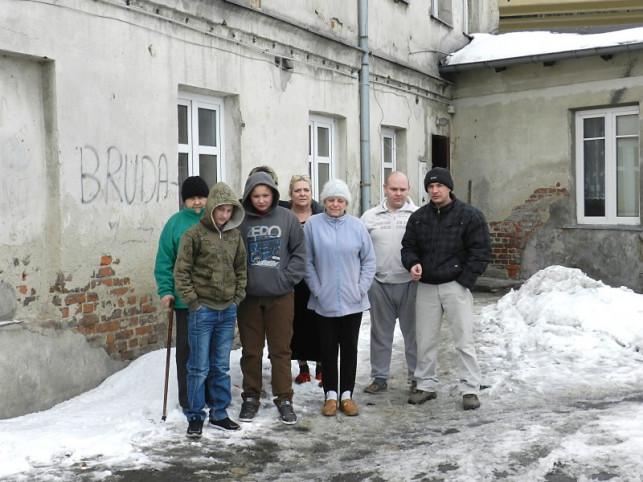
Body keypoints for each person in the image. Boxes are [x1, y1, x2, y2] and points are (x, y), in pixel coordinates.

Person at [401, 167, 491, 410]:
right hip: (426, 287)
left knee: (464, 339)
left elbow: (481, 250)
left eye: (439, 185)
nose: (435, 190)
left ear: (449, 187)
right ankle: (425, 385)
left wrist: (465, 280)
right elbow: (408, 247)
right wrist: (413, 263)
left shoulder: (469, 215)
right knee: (425, 340)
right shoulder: (419, 217)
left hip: (455, 285)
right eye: (430, 186)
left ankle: (470, 388)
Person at [174, 182, 247, 438]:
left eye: (229, 210)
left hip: (227, 310)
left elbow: (241, 268)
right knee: (198, 367)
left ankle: (219, 413)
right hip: (202, 311)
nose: (224, 215)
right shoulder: (194, 235)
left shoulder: (234, 236)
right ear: (211, 209)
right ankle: (195, 416)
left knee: (220, 366)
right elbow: (181, 271)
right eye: (220, 210)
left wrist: (237, 298)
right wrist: (193, 302)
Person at [237, 171, 306, 425]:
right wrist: (241, 283)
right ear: (248, 196)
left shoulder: (287, 218)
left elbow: (299, 254)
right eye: (256, 196)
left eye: (266, 195)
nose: (261, 200)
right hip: (249, 298)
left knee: (280, 351)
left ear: (273, 194)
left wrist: (286, 280)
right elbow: (233, 255)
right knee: (251, 351)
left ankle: (284, 398)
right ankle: (251, 396)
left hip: (281, 297)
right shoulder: (240, 221)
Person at [304, 179, 376, 417]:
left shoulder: (357, 226)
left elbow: (369, 261)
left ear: (346, 203)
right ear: (324, 201)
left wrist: (360, 289)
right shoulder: (313, 225)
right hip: (323, 301)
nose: (335, 204)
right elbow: (307, 261)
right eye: (331, 200)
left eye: (340, 200)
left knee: (350, 349)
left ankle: (346, 395)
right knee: (327, 349)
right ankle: (330, 396)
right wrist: (317, 289)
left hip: (353, 302)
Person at [154, 175, 209, 411]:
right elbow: (164, 260)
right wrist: (166, 290)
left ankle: (209, 394)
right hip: (184, 301)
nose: (197, 202)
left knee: (209, 349)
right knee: (186, 349)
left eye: (201, 197)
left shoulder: (214, 221)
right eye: (191, 198)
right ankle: (187, 397)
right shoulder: (174, 224)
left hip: (212, 300)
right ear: (184, 201)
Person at [360, 171, 418, 395]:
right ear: (385, 188)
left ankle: (416, 378)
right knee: (380, 334)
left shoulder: (418, 215)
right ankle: (379, 377)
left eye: (402, 189)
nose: (398, 193)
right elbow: (360, 249)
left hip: (410, 283)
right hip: (379, 284)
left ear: (409, 189)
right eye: (394, 189)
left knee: (414, 335)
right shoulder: (370, 217)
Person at [285, 175, 325, 386]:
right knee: (297, 322)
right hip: (292, 278)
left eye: (306, 190)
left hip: (318, 275)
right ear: (290, 194)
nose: (302, 194)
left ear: (311, 193)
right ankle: (303, 368)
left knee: (319, 322)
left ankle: (321, 367)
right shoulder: (284, 216)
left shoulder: (321, 215)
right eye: (297, 190)